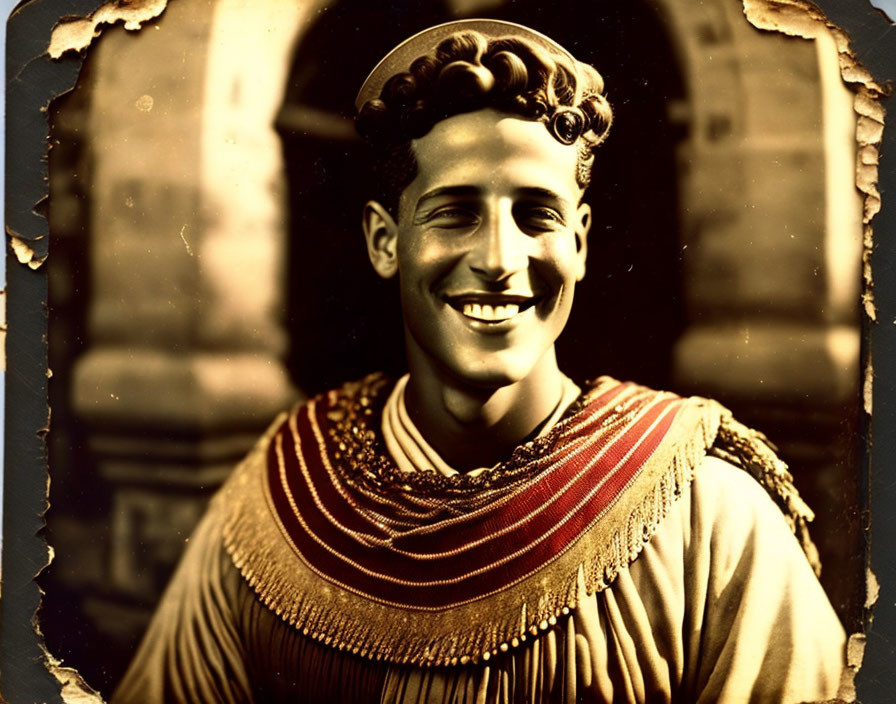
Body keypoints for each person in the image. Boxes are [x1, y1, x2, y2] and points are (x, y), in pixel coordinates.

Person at [113, 19, 846, 703]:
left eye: (537, 215)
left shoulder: (708, 517)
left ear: (581, 243)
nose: (500, 260)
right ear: (383, 241)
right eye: (455, 211)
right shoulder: (276, 507)